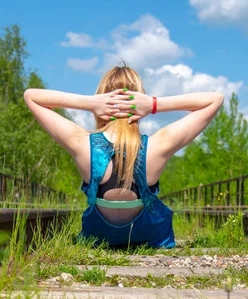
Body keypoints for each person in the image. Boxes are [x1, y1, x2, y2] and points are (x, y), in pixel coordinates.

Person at [24, 64, 224, 248]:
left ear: (100, 98)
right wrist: (154, 104)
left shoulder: (81, 143)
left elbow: (31, 96)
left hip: (97, 237)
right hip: (150, 237)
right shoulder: (157, 145)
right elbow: (215, 100)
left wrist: (88, 103)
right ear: (140, 100)